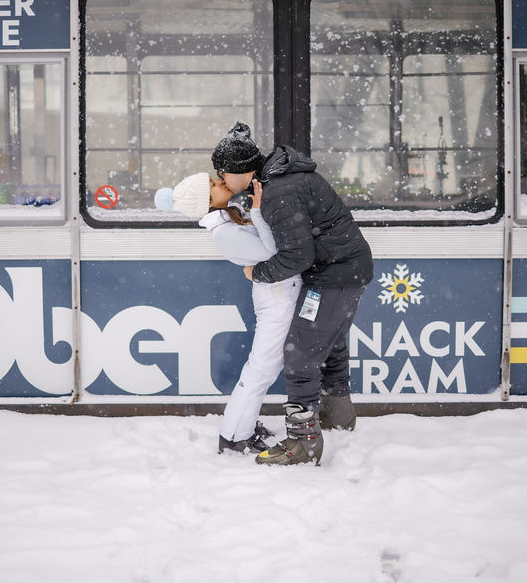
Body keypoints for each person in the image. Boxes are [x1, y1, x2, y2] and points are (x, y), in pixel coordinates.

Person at [211, 121, 373, 466]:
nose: (222, 180)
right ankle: (337, 418)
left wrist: (258, 273)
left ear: (242, 170)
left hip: (335, 275)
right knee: (329, 345)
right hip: (342, 270)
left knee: (300, 355)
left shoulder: (278, 192)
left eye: (223, 173)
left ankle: (304, 442)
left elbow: (297, 256)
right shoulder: (275, 182)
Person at [154, 172, 302, 455]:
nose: (221, 182)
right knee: (262, 368)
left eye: (213, 179)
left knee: (265, 367)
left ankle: (241, 425)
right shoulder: (224, 232)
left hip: (280, 290)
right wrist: (258, 212)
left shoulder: (229, 217)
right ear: (208, 202)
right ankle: (234, 436)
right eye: (213, 185)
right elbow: (273, 252)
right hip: (276, 295)